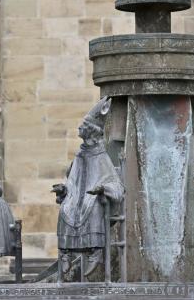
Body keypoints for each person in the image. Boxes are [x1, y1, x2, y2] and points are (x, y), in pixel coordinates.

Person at [52, 96, 124, 278]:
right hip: (77, 197)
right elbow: (72, 180)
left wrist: (103, 189)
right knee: (66, 209)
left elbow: (114, 183)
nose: (80, 130)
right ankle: (66, 252)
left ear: (92, 132)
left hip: (94, 197)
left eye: (84, 128)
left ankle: (95, 251)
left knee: (92, 207)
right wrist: (64, 189)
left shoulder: (101, 156)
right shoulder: (80, 154)